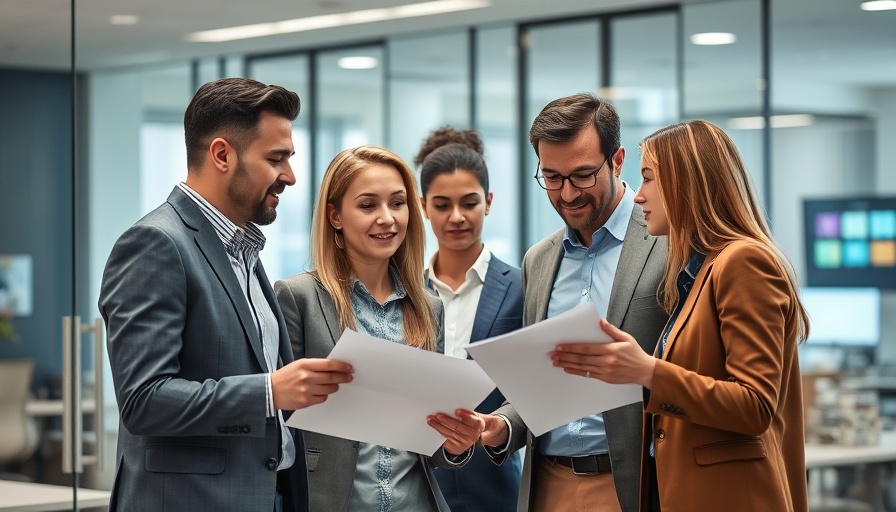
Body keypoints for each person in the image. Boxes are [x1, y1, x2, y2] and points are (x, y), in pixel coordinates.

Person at [98, 77, 354, 512]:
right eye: (276, 159)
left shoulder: (243, 249)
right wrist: (270, 392)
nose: (290, 177)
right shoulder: (155, 244)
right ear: (222, 155)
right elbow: (144, 400)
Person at [552, 120, 809, 511]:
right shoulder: (696, 272)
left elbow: (755, 405)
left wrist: (647, 371)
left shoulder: (743, 261)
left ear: (687, 182)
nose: (639, 195)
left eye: (648, 178)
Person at [478, 93, 669, 512]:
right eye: (552, 177)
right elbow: (539, 384)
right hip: (548, 485)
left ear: (617, 161)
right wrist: (504, 424)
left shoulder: (666, 244)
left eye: (582, 176)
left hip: (635, 486)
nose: (567, 194)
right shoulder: (538, 260)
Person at [274, 145, 484, 512]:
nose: (387, 218)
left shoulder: (429, 306)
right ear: (335, 216)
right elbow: (279, 422)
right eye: (368, 205)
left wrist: (455, 442)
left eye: (397, 203)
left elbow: (431, 443)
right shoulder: (298, 297)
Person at [415, 127, 524, 512]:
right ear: (423, 206)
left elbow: (531, 390)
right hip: (418, 485)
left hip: (495, 487)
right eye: (442, 205)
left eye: (469, 203)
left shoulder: (523, 286)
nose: (457, 217)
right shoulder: (405, 294)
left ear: (488, 202)